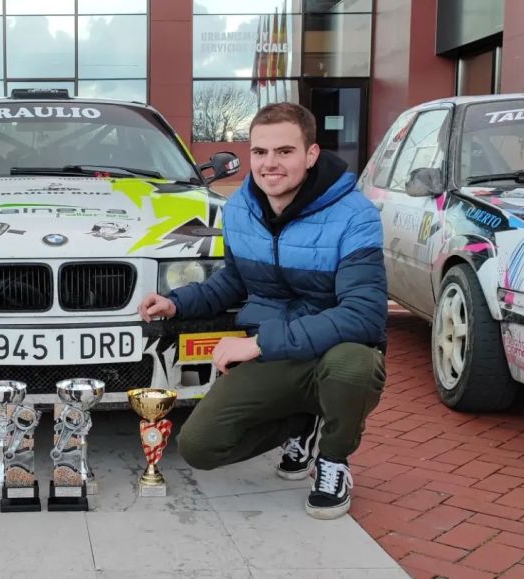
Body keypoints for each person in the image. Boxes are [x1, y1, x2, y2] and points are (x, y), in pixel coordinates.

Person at [138, 103, 387, 520]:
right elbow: (234, 281)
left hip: (332, 352)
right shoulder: (239, 208)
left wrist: (258, 343)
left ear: (311, 154)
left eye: (284, 151)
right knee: (199, 447)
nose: (270, 164)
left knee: (354, 367)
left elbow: (364, 315)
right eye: (260, 152)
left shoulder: (355, 215)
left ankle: (333, 460)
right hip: (275, 355)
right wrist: (177, 302)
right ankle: (301, 423)